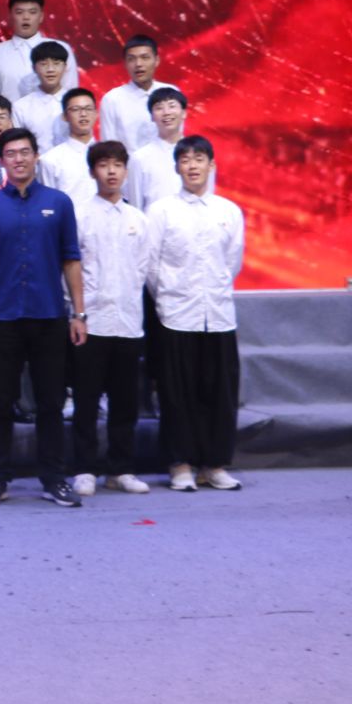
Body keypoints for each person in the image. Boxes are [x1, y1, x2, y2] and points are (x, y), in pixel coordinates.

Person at [0, 128, 88, 509]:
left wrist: (78, 313)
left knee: (50, 402)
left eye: (24, 152)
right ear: (1, 160)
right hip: (2, 317)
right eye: (11, 153)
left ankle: (54, 478)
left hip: (48, 314)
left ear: (36, 157)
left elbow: (71, 259)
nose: (18, 159)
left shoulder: (59, 203)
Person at [144, 136, 247, 493]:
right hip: (176, 314)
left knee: (219, 394)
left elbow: (232, 262)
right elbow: (151, 266)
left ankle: (214, 465)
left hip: (218, 314)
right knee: (177, 395)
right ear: (176, 167)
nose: (192, 166)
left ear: (211, 165)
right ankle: (181, 465)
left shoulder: (229, 211)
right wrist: (167, 300)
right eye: (185, 160)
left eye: (199, 159)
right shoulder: (161, 211)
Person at [69, 141, 153, 498]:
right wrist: (75, 313)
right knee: (86, 400)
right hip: (91, 320)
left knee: (125, 401)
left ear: (126, 171)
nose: (111, 172)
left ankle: (121, 469)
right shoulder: (79, 215)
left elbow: (144, 268)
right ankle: (85, 467)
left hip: (129, 320)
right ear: (93, 172)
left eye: (117, 165)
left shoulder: (139, 219)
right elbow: (69, 268)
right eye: (104, 165)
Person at [0, 0, 80, 99]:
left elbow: (71, 91)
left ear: (41, 16)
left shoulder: (61, 48)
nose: (26, 17)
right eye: (19, 12)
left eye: (32, 12)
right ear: (10, 17)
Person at [124, 86, 203, 211]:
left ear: (184, 113)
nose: (166, 112)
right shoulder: (140, 158)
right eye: (159, 108)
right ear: (152, 116)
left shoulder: (200, 156)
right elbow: (136, 208)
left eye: (172, 106)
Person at [99, 35, 166, 153]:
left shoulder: (170, 93)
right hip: (129, 164)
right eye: (131, 59)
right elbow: (108, 146)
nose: (138, 64)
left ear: (157, 60)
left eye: (145, 57)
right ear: (125, 64)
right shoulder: (112, 99)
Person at [38, 89, 101, 201]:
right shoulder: (51, 160)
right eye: (76, 109)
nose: (83, 114)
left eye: (88, 109)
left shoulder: (109, 155)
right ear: (65, 116)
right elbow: (49, 203)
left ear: (96, 113)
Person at [9, 41, 72, 150]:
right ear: (34, 68)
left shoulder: (76, 104)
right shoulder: (21, 107)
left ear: (65, 67)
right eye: (43, 64)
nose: (50, 69)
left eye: (56, 63)